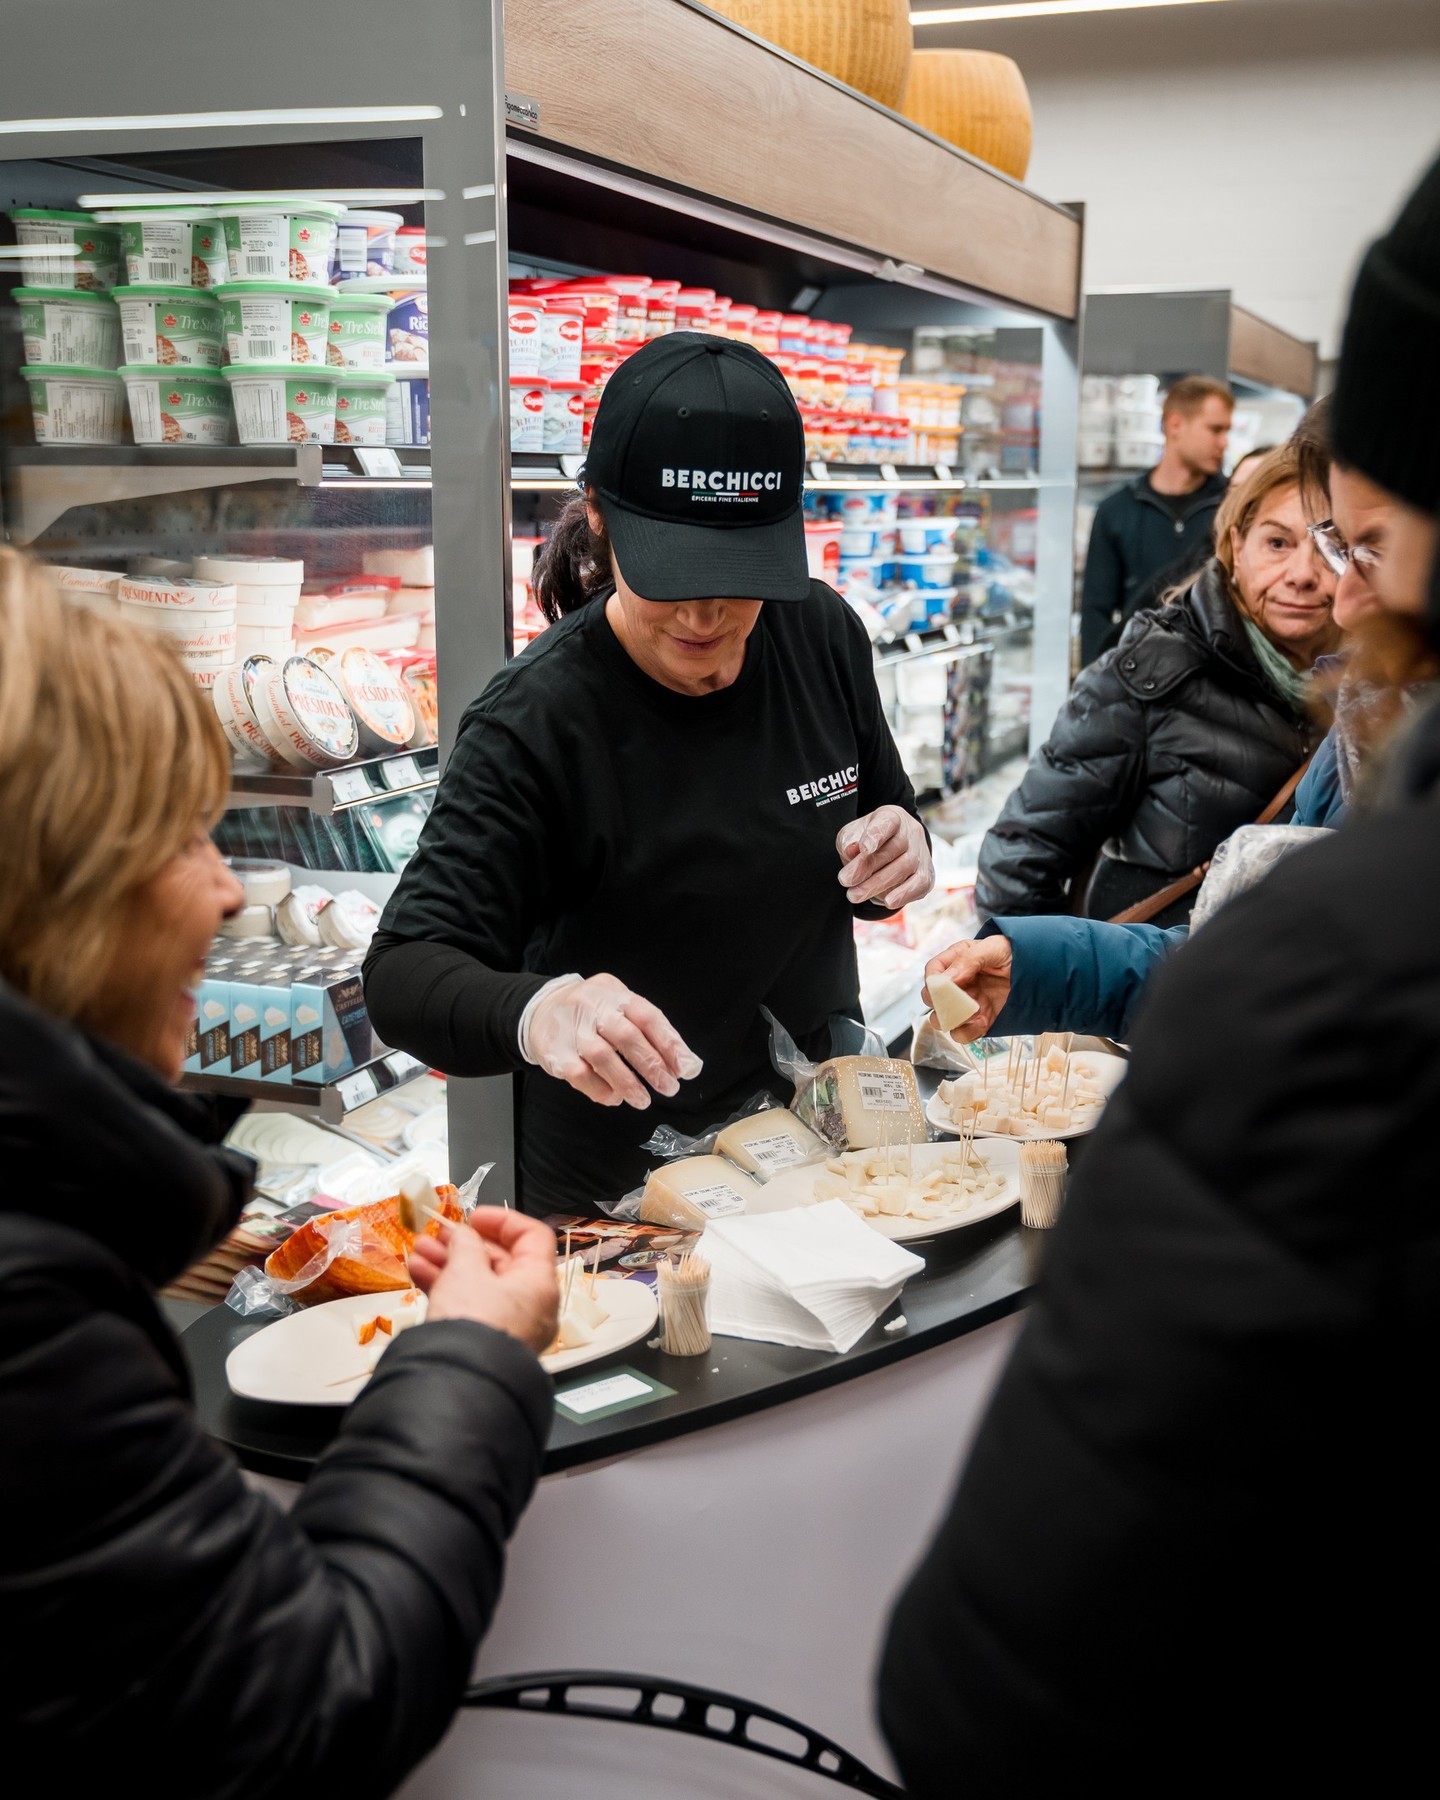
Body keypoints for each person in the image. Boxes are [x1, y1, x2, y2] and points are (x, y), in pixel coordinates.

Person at [879, 148, 1440, 1795]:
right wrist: (1027, 950)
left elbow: (1006, 1671)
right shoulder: (1323, 755)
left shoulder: (1346, 976)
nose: (1329, 568)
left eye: (1352, 532)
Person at [0, 551, 560, 1795]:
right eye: (174, 839)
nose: (221, 892)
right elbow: (308, 1705)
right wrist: (469, 1357)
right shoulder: (29, 1317)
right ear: (52, 898)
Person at [364, 333, 932, 1214]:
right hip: (629, 1202)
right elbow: (403, 972)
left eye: (738, 577)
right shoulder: (536, 721)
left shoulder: (821, 634)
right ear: (599, 514)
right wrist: (541, 1010)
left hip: (827, 1141)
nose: (706, 614)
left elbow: (879, 828)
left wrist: (903, 842)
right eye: (674, 575)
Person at [976, 438, 1339, 925]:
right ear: (1236, 545)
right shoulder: (1150, 670)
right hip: (1158, 989)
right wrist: (1048, 981)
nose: (1302, 574)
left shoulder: (1374, 686)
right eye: (1277, 543)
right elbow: (1020, 859)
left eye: (1327, 549)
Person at [1079, 374, 1234, 665]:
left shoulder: (1231, 507)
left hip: (1215, 674)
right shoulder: (1117, 511)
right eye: (1215, 429)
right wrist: (1094, 687)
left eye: (1227, 431)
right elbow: (1095, 612)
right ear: (1175, 425)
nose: (1224, 442)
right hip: (1138, 673)